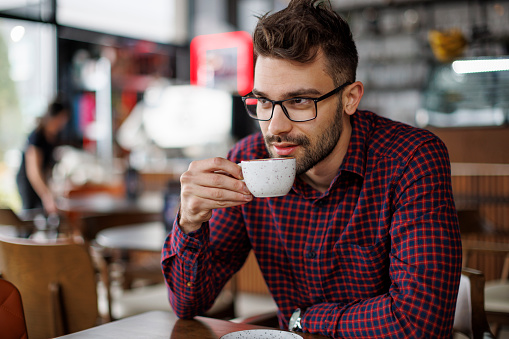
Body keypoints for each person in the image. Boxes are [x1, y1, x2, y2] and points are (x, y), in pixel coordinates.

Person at [161, 1, 462, 337]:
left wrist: (306, 319)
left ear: (350, 98)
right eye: (263, 101)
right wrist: (189, 224)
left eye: (299, 101)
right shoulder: (249, 161)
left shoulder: (411, 160)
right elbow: (189, 303)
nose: (275, 127)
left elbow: (421, 325)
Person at [16, 98, 70, 215]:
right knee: (30, 214)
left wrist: (51, 190)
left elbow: (47, 167)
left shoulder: (54, 137)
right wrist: (46, 196)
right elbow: (33, 172)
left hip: (41, 179)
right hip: (28, 181)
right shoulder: (37, 136)